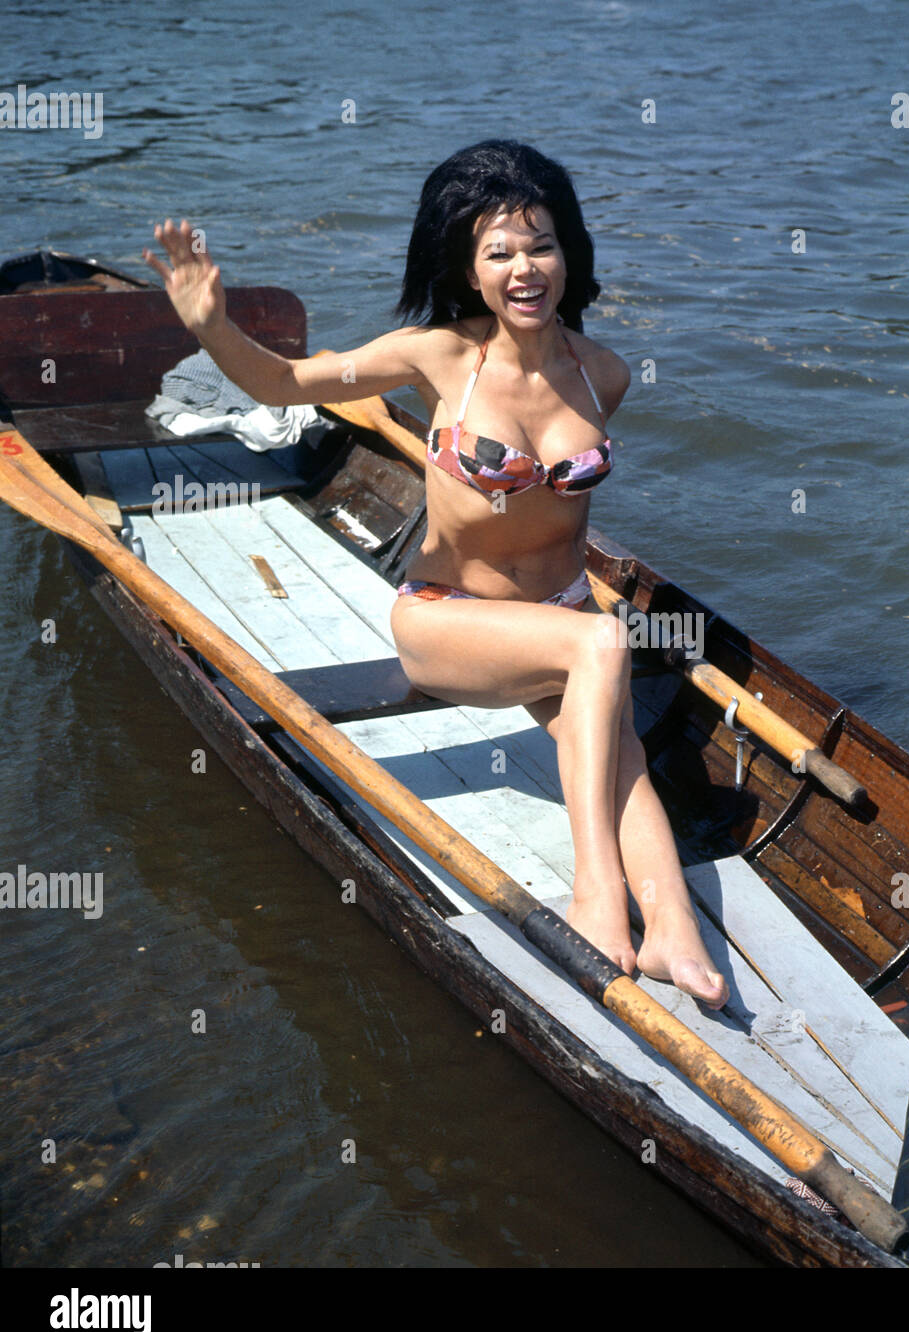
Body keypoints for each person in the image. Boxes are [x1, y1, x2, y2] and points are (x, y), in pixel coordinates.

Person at [144, 139, 728, 1008]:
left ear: (569, 251)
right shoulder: (438, 358)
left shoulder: (603, 376)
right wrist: (210, 324)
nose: (525, 268)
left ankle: (673, 923)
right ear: (467, 265)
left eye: (541, 244)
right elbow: (285, 382)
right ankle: (598, 894)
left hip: (556, 622)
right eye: (500, 252)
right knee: (604, 642)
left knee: (617, 752)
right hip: (447, 620)